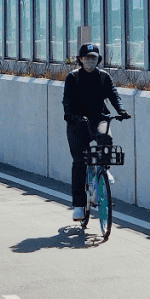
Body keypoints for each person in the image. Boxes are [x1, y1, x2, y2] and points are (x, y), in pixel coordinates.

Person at [62, 43, 130, 221]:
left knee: (106, 137)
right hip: (77, 121)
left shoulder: (103, 77)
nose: (90, 61)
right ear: (80, 60)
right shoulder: (73, 77)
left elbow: (114, 95)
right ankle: (78, 206)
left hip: (98, 118)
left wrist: (121, 110)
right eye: (87, 58)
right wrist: (69, 114)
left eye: (93, 58)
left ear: (98, 60)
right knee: (79, 162)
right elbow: (67, 99)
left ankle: (104, 169)